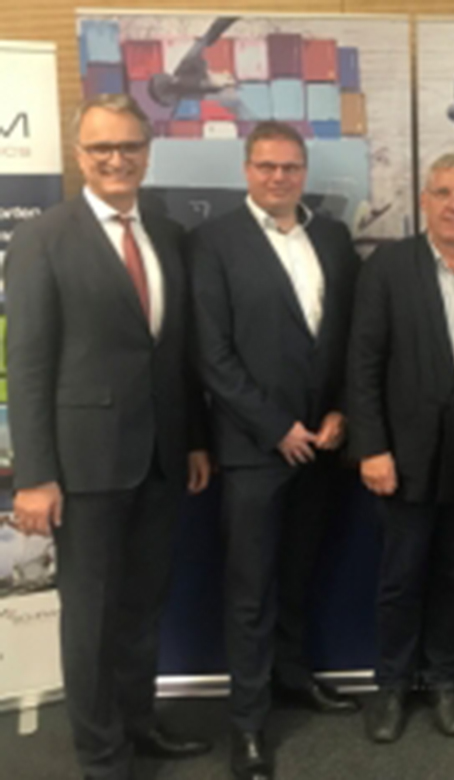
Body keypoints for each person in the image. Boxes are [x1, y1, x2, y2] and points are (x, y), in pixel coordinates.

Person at [5, 93, 212, 780]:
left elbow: (176, 353)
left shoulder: (167, 231)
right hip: (83, 466)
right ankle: (101, 756)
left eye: (129, 146)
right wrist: (35, 475)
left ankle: (138, 724)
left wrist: (193, 440)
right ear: (79, 155)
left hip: (160, 458)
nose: (116, 159)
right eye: (102, 148)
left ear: (147, 153)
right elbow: (27, 365)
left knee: (142, 606)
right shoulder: (43, 238)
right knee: (91, 619)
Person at [188, 121, 360, 780]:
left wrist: (340, 409)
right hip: (256, 451)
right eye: (266, 166)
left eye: (290, 166)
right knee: (250, 591)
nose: (279, 177)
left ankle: (291, 677)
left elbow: (350, 336)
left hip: (321, 445)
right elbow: (212, 355)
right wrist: (275, 427)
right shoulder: (213, 242)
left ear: (304, 171)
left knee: (298, 575)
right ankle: (248, 722)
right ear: (247, 169)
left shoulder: (333, 238)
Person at [347, 153, 454, 743]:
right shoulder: (388, 268)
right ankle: (392, 686)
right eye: (443, 193)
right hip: (403, 460)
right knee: (400, 578)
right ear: (424, 201)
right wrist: (371, 447)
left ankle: (443, 681)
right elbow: (363, 365)